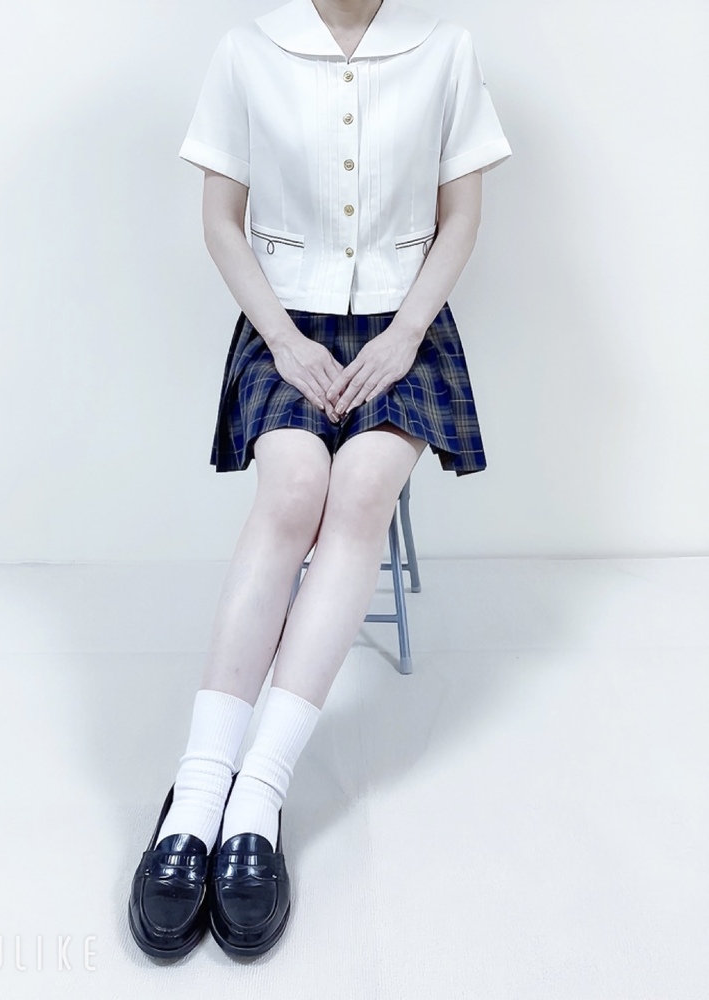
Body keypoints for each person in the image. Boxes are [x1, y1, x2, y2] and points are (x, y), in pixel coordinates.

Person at [128, 0, 512, 960]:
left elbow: (462, 217)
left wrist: (406, 334)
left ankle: (257, 794)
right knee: (294, 488)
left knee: (361, 492)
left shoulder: (445, 51)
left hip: (405, 329)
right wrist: (284, 340)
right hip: (283, 325)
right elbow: (221, 223)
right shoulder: (247, 50)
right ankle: (197, 789)